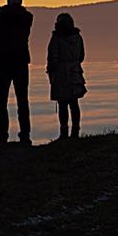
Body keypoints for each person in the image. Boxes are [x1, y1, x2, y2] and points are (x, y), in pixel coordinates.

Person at [0, 0, 35, 145]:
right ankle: (25, 135)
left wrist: (1, 14)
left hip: (3, 62)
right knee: (22, 101)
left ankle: (2, 136)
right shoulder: (27, 17)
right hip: (20, 62)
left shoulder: (2, 18)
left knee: (1, 102)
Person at [46, 12, 87, 140]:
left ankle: (64, 133)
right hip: (75, 72)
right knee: (74, 103)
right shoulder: (78, 37)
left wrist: (51, 71)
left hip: (60, 74)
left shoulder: (56, 38)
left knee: (63, 104)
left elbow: (53, 57)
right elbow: (81, 56)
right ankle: (75, 132)